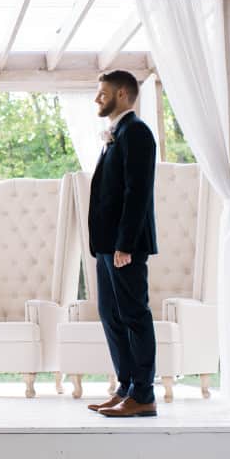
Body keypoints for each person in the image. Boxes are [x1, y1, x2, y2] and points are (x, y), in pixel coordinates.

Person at [87, 70, 159, 418]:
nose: (97, 99)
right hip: (106, 244)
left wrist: (125, 243)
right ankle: (127, 387)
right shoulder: (117, 133)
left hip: (124, 244)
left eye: (103, 93)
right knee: (110, 315)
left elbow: (138, 192)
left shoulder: (138, 133)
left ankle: (144, 394)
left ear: (122, 95)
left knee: (134, 315)